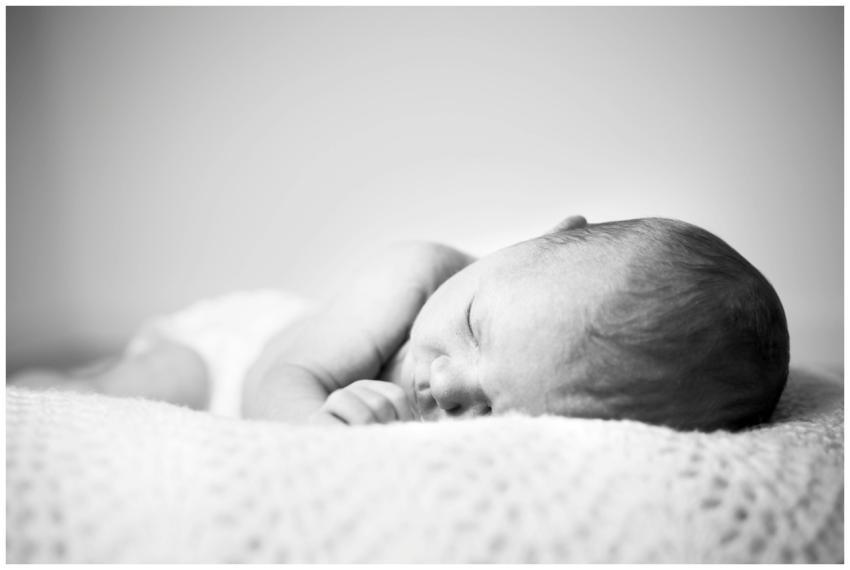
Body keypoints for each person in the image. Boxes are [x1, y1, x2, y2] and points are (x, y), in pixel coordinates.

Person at [9, 216, 790, 431]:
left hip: (257, 367)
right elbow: (273, 380)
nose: (445, 383)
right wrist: (320, 428)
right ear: (542, 237)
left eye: (492, 405)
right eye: (477, 328)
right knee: (121, 388)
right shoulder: (417, 272)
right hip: (232, 355)